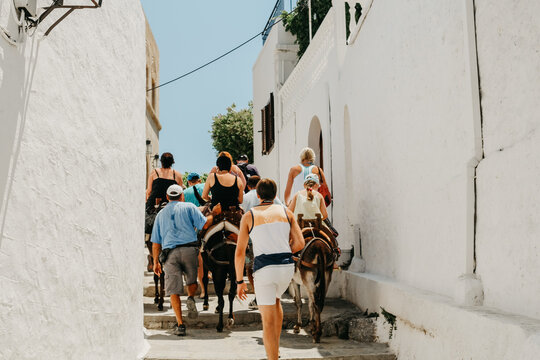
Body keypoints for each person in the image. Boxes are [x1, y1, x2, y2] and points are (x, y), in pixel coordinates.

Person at [235, 179, 305, 360]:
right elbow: (299, 243)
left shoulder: (249, 216)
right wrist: (283, 250)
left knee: (267, 321)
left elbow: (240, 252)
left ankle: (272, 357)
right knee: (276, 300)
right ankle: (276, 349)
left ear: (258, 195)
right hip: (286, 268)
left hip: (265, 270)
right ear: (275, 195)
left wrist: (239, 281)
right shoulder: (286, 212)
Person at [151, 184, 217, 336]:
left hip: (169, 254)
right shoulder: (189, 207)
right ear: (182, 196)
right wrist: (213, 214)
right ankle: (191, 297)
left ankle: (180, 324)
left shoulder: (160, 214)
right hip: (189, 250)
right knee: (192, 281)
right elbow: (204, 224)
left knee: (173, 290)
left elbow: (156, 243)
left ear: (167, 198)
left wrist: (155, 262)